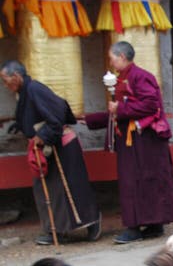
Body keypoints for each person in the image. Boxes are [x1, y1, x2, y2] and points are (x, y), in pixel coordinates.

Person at [84, 41, 173, 243]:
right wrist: (89, 119)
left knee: (137, 181)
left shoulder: (140, 77)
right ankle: (154, 223)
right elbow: (119, 111)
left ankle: (137, 227)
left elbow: (151, 105)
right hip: (133, 140)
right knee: (137, 180)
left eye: (112, 58)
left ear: (122, 57)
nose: (110, 61)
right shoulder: (123, 78)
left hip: (145, 140)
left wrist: (120, 109)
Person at [1, 60, 101, 245]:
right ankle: (57, 230)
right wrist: (21, 125)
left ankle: (92, 221)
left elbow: (56, 116)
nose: (6, 86)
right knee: (49, 190)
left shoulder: (35, 89)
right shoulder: (24, 92)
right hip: (45, 146)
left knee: (71, 187)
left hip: (60, 144)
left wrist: (43, 135)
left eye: (6, 81)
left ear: (16, 76)